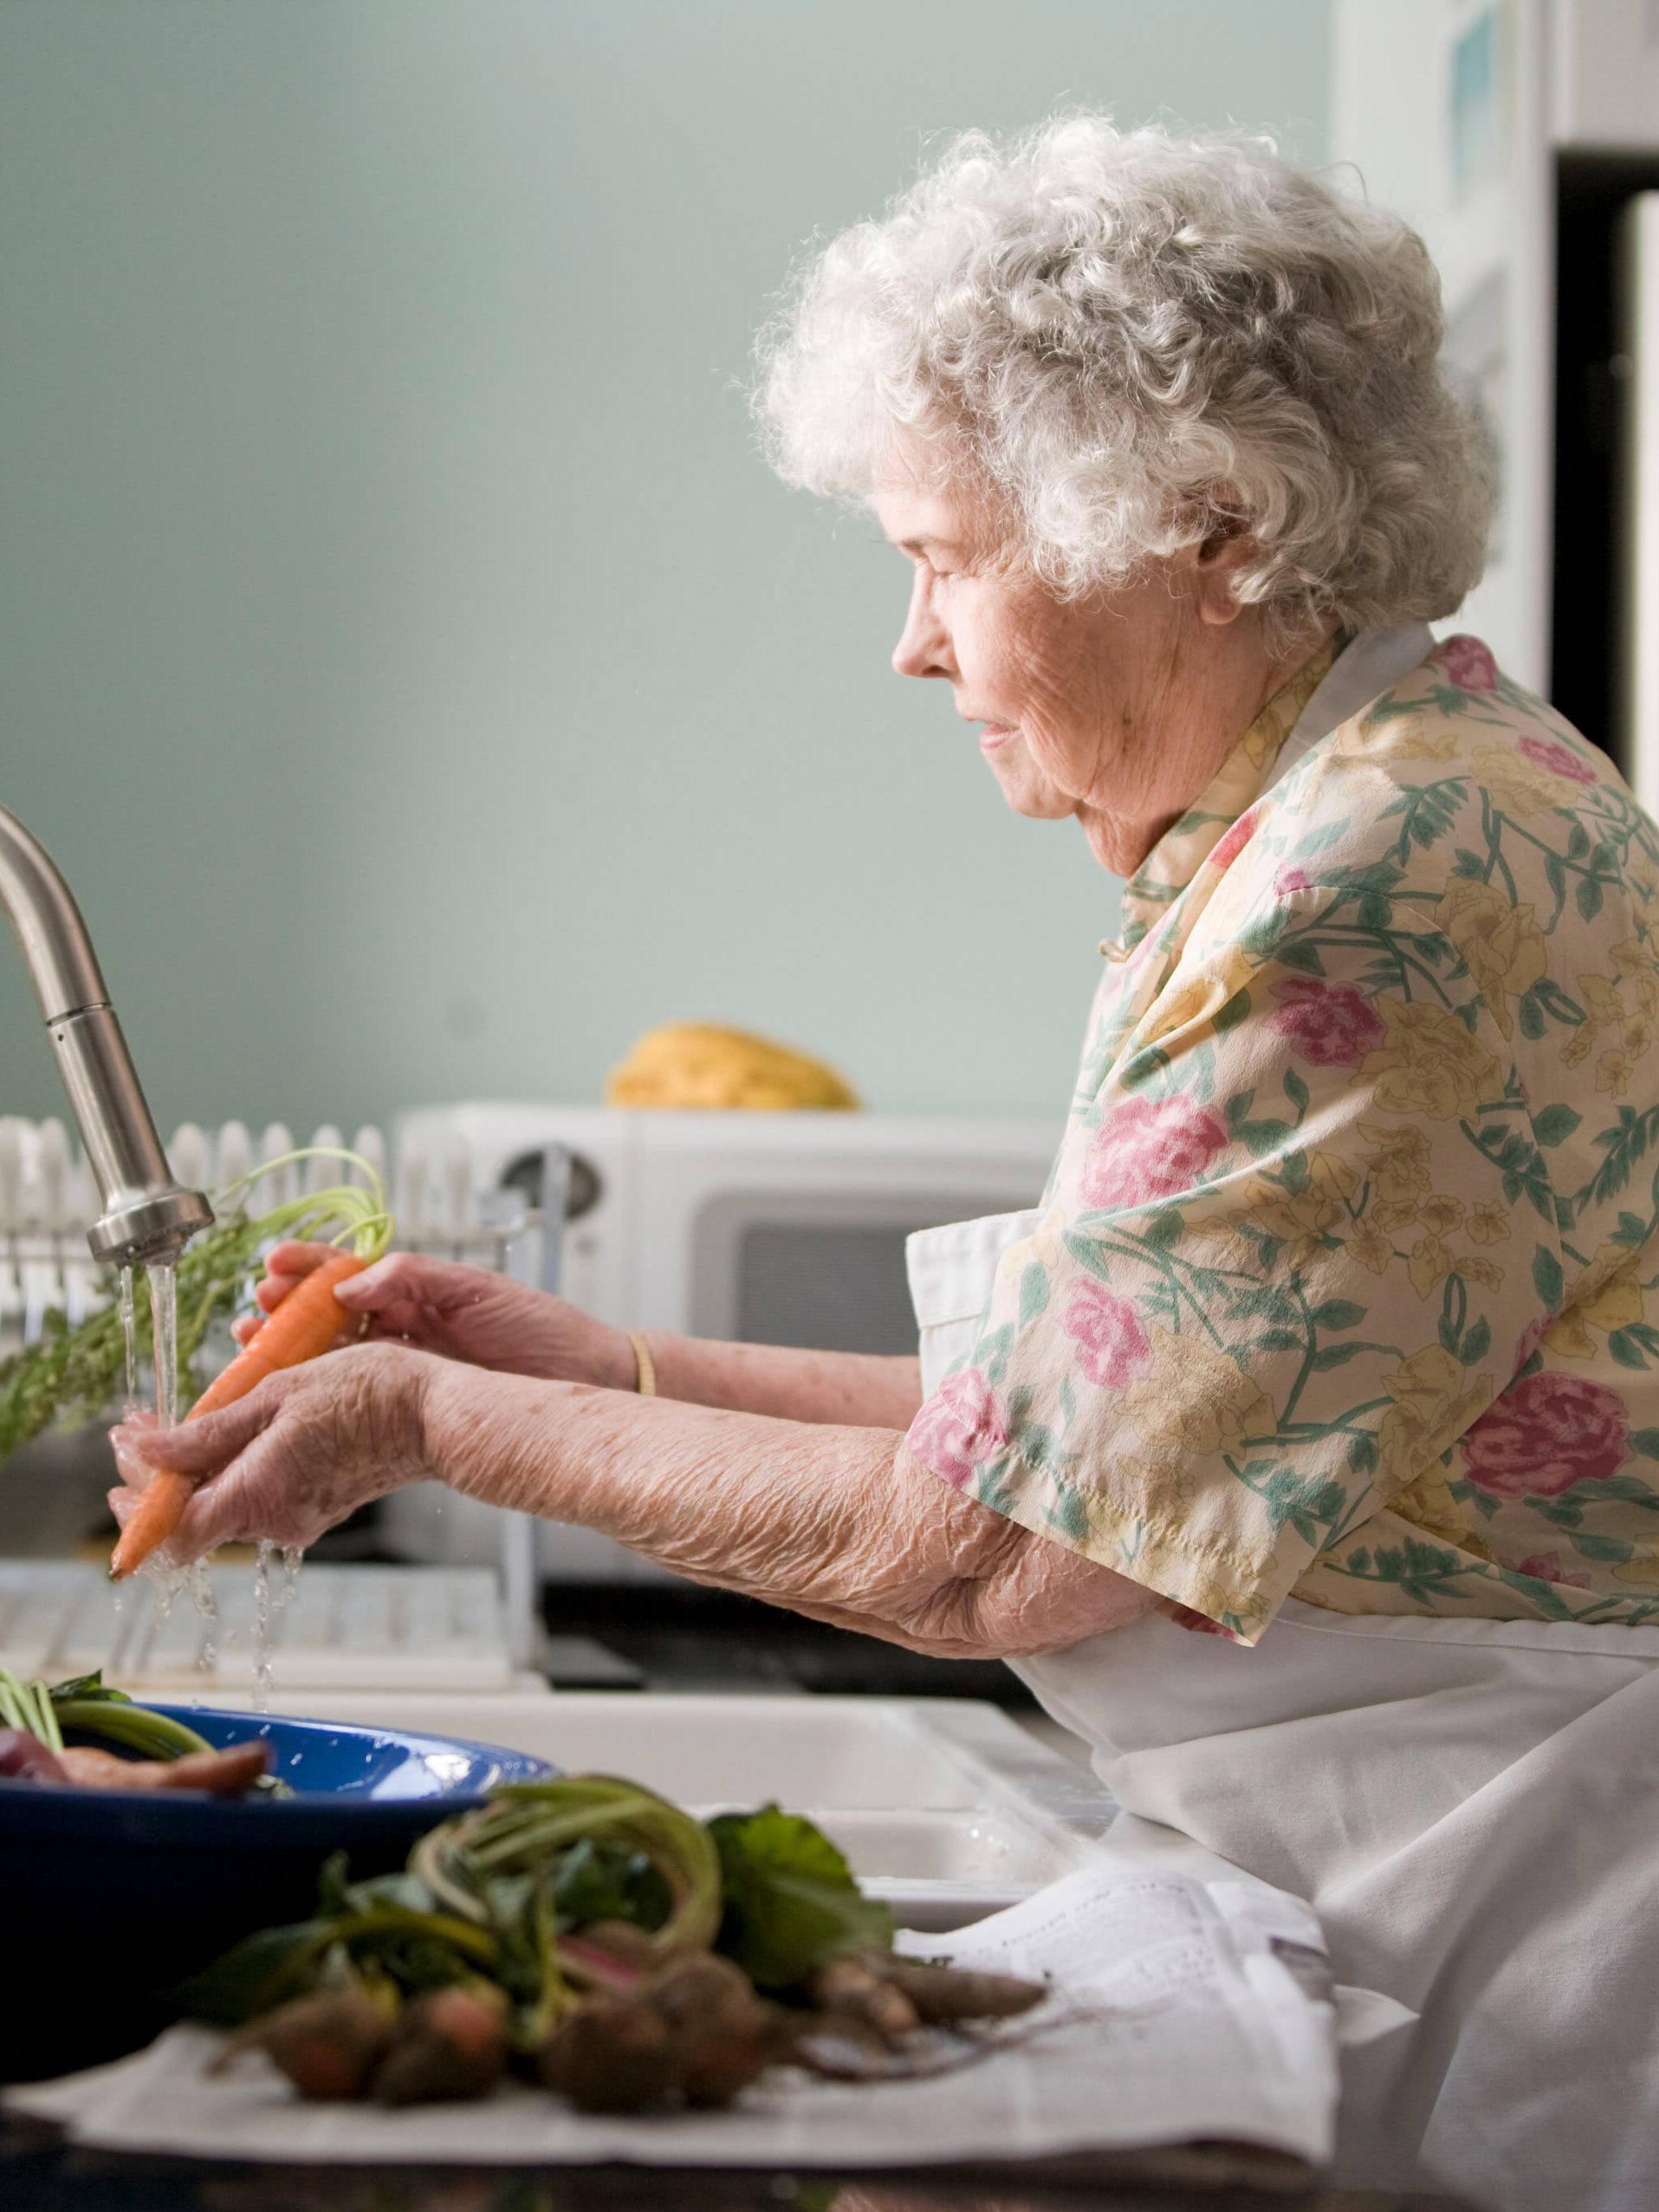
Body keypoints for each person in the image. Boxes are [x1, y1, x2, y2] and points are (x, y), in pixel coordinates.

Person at [116, 119, 1659, 2208]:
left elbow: (993, 1554)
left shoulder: (1376, 881)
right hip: (1417, 1854)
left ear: (1207, 527)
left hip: (1515, 1913)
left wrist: (433, 1415)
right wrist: (583, 1369)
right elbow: (1086, 1438)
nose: (914, 646)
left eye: (944, 556)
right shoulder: (1361, 807)